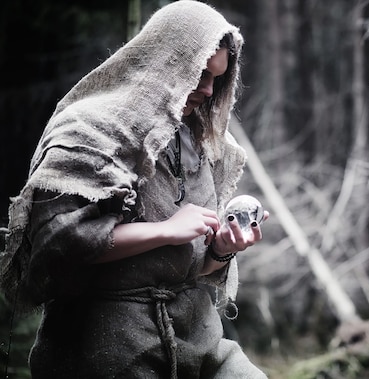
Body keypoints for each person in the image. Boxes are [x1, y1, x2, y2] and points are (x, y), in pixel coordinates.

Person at [0, 1, 269, 378]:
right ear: (169, 63)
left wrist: (222, 249)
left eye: (218, 79)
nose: (209, 90)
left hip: (198, 339)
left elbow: (192, 265)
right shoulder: (90, 129)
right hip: (106, 345)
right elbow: (57, 242)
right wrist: (163, 230)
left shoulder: (197, 140)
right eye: (201, 74)